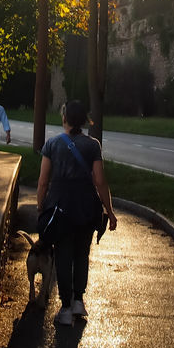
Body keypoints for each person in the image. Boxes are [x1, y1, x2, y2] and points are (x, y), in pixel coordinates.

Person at [35, 99, 118, 326]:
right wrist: (109, 211)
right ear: (83, 121)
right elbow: (100, 182)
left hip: (60, 206)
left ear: (64, 119)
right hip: (86, 206)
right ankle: (79, 300)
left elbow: (43, 182)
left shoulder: (52, 144)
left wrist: (41, 205)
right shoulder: (93, 145)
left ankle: (65, 307)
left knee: (63, 254)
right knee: (82, 254)